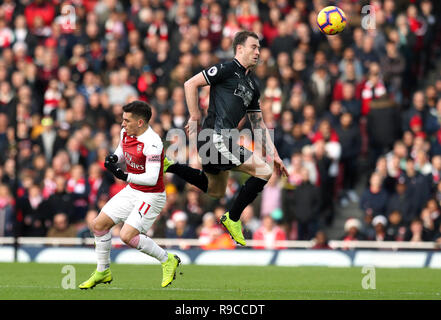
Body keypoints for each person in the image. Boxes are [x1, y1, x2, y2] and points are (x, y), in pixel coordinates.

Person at [164, 31, 288, 246]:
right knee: (264, 170)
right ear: (239, 48)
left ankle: (171, 166)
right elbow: (189, 84)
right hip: (214, 137)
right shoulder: (226, 69)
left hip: (220, 141)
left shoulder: (252, 87)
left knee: (216, 190)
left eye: (259, 48)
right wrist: (194, 116)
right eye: (254, 47)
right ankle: (233, 217)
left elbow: (258, 124)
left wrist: (274, 154)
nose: (258, 52)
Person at [79, 101, 181, 290]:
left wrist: (124, 175)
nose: (122, 124)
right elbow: (122, 151)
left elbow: (151, 178)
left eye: (127, 120)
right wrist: (114, 158)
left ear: (140, 122)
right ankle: (103, 271)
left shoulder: (153, 143)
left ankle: (168, 260)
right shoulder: (126, 132)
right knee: (98, 224)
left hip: (151, 195)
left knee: (127, 236)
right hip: (133, 190)